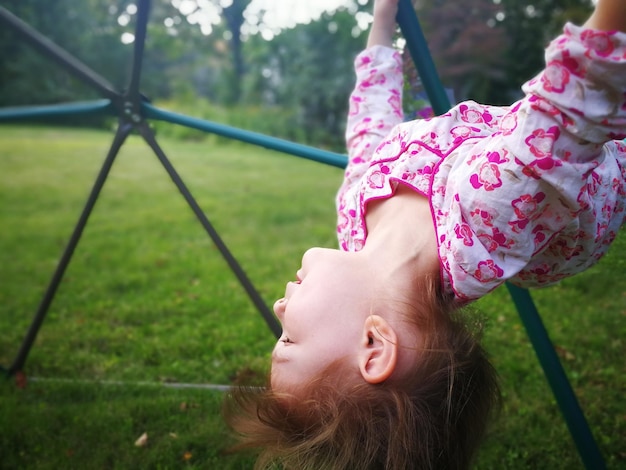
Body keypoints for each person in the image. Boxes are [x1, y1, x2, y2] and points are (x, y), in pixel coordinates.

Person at [224, 0, 626, 468]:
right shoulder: (485, 218)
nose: (277, 307)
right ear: (373, 347)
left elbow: (369, 131)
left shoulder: (355, 223)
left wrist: (381, 22)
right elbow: (576, 101)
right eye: (287, 338)